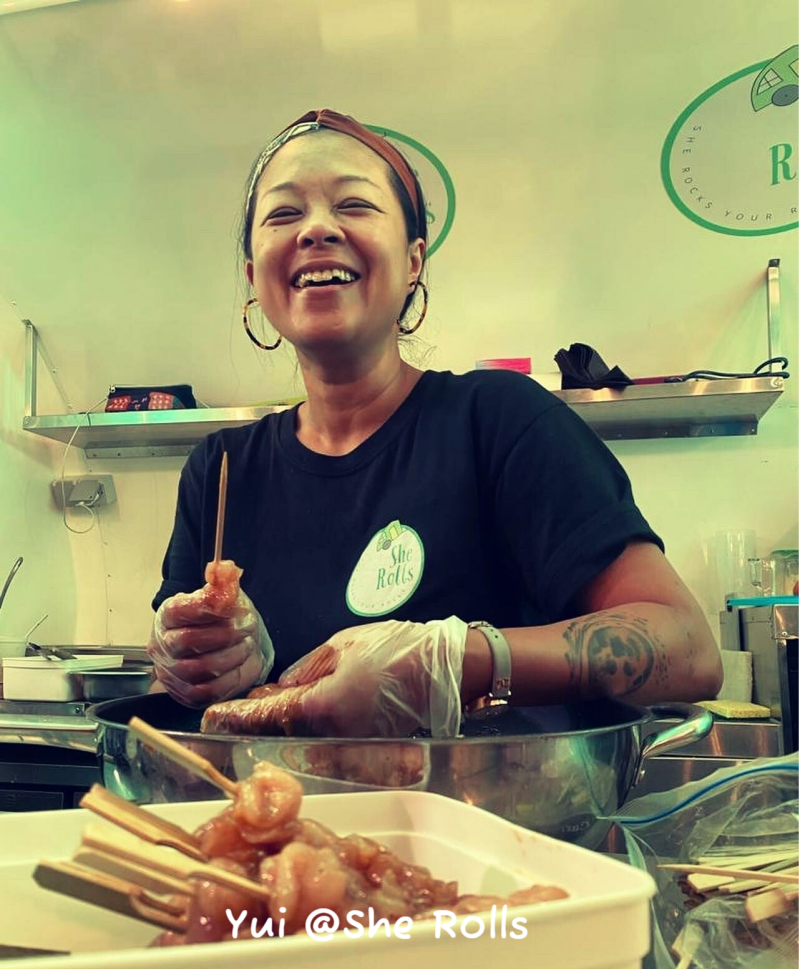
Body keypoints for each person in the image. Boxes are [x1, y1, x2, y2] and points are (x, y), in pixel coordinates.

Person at [148, 108, 721, 737]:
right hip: (274, 803)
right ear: (255, 279)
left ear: (413, 260)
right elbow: (170, 701)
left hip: (497, 799)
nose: (316, 229)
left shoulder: (500, 421)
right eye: (284, 214)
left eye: (354, 205)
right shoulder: (222, 468)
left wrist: (455, 663)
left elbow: (689, 649)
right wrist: (196, 668)